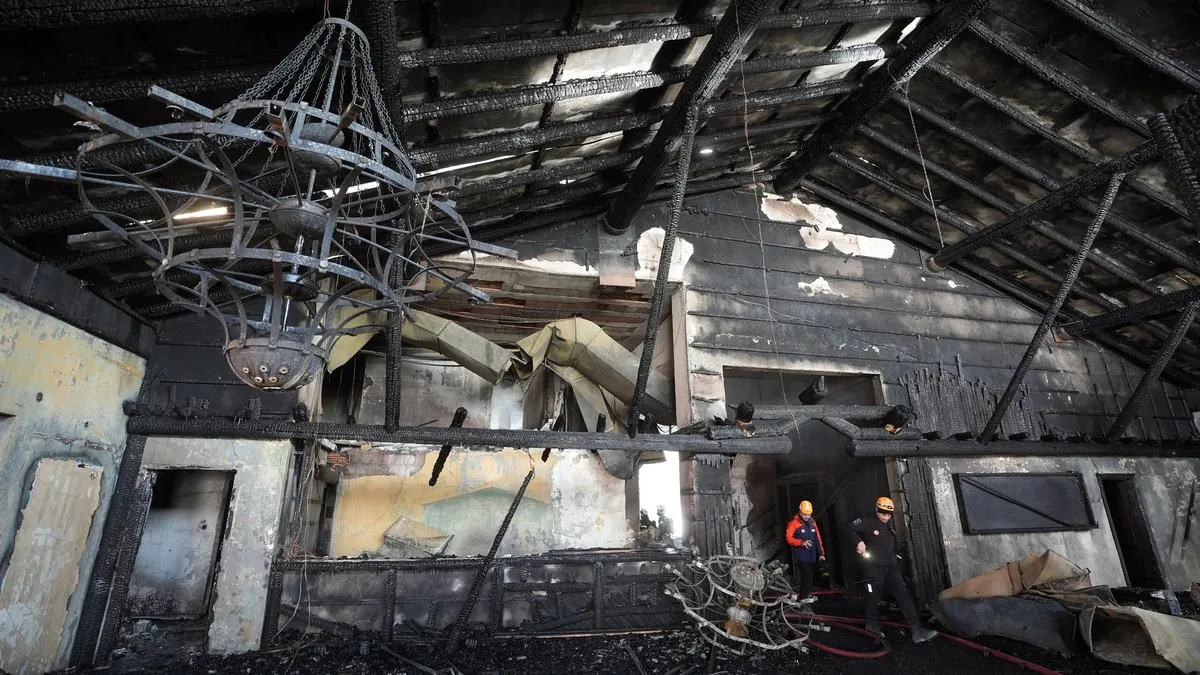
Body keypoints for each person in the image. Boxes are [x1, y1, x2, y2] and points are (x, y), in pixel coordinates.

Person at [851, 496, 937, 644]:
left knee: (903, 595)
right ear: (877, 509)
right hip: (874, 567)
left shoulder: (889, 527)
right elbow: (849, 527)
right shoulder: (868, 521)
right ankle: (871, 623)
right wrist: (859, 542)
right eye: (883, 513)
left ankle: (917, 629)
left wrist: (896, 557)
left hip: (891, 567)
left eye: (888, 514)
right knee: (873, 596)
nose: (885, 517)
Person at [785, 500, 824, 602]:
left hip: (811, 555)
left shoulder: (812, 523)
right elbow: (789, 539)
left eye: (809, 514)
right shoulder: (793, 524)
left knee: (808, 577)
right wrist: (801, 543)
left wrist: (821, 553)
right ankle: (804, 598)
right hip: (801, 555)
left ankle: (803, 596)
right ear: (800, 512)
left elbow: (817, 539)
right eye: (805, 514)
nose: (807, 516)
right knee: (807, 577)